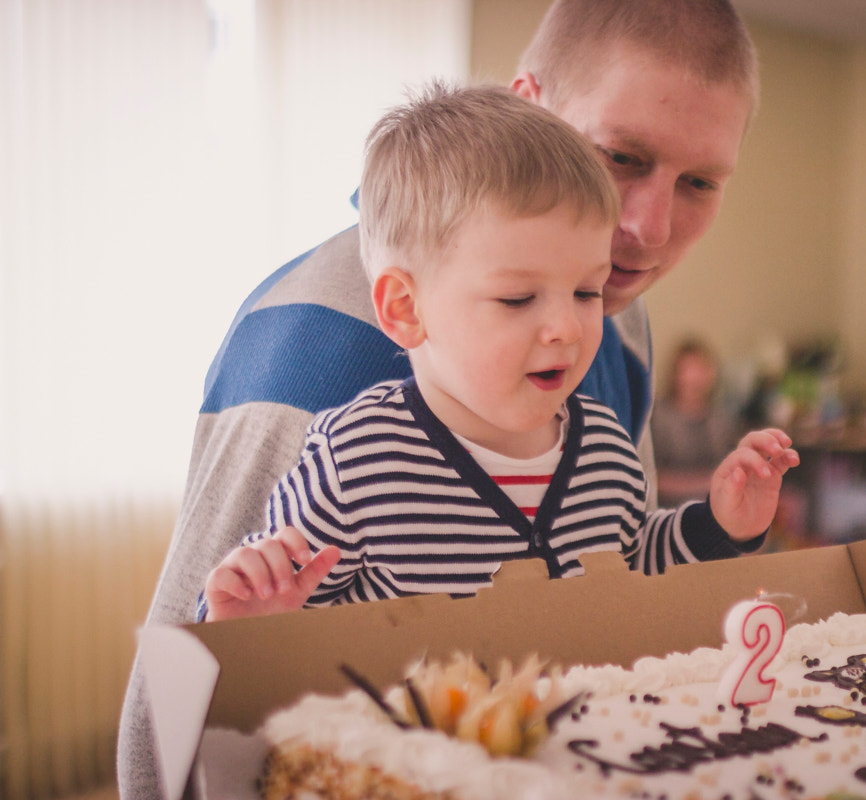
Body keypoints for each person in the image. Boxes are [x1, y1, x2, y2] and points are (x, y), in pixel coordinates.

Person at [119, 1, 763, 797]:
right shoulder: (314, 347)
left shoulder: (617, 329)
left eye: (699, 181)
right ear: (528, 104)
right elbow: (175, 719)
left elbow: (618, 579)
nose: (652, 229)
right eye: (622, 157)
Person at [199, 83, 795, 621]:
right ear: (406, 309)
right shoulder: (355, 461)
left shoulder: (607, 447)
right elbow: (272, 632)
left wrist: (722, 524)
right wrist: (250, 618)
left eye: (587, 290)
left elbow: (637, 562)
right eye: (517, 298)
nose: (565, 327)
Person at [651, 338, 740, 508]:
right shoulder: (658, 418)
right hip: (668, 510)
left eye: (699, 369)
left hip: (716, 509)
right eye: (686, 370)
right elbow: (649, 477)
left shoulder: (721, 420)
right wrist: (705, 483)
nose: (693, 378)